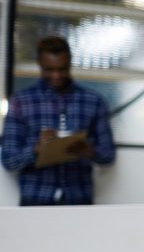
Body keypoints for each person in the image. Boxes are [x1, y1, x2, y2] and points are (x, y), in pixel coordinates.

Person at [1, 35, 115, 205]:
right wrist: (36, 150)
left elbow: (108, 156)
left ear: (70, 64)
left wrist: (89, 151)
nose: (56, 75)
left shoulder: (94, 101)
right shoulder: (21, 102)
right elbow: (9, 161)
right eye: (49, 70)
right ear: (39, 64)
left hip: (79, 199)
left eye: (62, 69)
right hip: (35, 199)